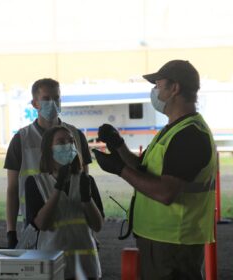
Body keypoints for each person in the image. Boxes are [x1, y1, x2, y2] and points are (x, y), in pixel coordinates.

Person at [93, 60, 216, 280]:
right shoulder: (173, 129)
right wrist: (118, 145)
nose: (154, 91)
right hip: (160, 240)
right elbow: (144, 170)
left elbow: (165, 192)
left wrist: (119, 169)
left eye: (158, 85)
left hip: (174, 244)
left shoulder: (190, 135)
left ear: (175, 88)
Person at [4, 78, 92, 248]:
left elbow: (85, 181)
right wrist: (11, 231)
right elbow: (12, 189)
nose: (52, 103)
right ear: (35, 103)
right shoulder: (21, 139)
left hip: (75, 224)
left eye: (56, 98)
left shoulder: (76, 135)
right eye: (46, 99)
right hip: (37, 223)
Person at [23, 126, 103, 280]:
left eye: (71, 141)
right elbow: (41, 224)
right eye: (61, 142)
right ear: (48, 149)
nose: (68, 145)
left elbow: (97, 225)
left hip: (86, 267)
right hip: (52, 267)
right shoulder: (35, 182)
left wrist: (87, 200)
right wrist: (58, 188)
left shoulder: (86, 181)